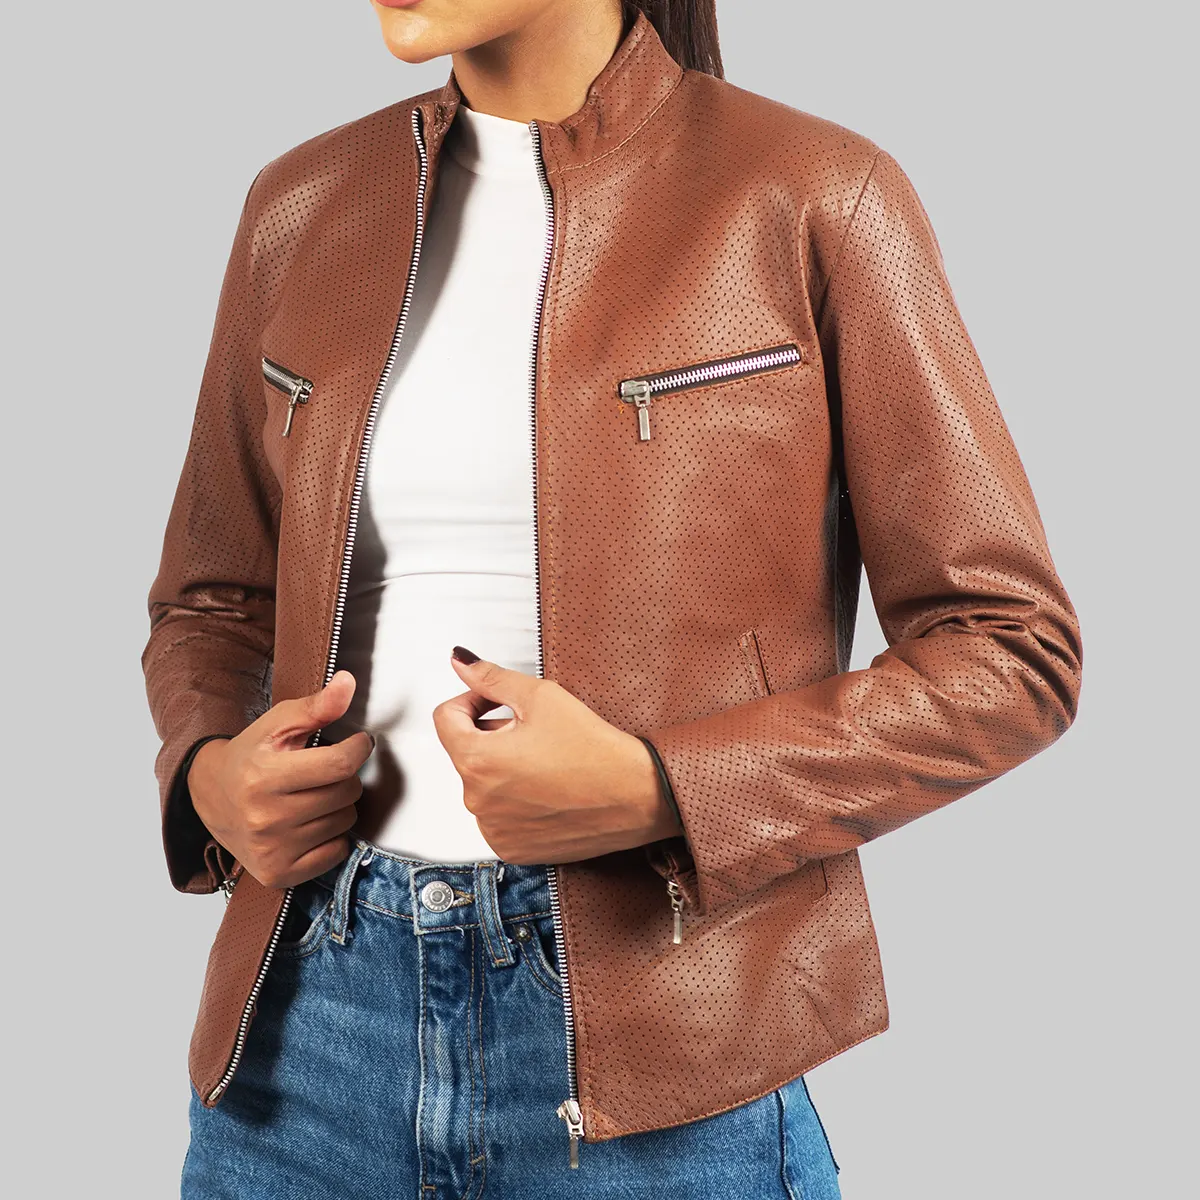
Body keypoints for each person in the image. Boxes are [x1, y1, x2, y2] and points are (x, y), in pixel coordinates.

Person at [142, 2, 1083, 1196]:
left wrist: (661, 788)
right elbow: (210, 598)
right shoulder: (302, 205)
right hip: (303, 1049)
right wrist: (210, 777)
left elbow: (1011, 650)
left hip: (669, 1056)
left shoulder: (814, 195)